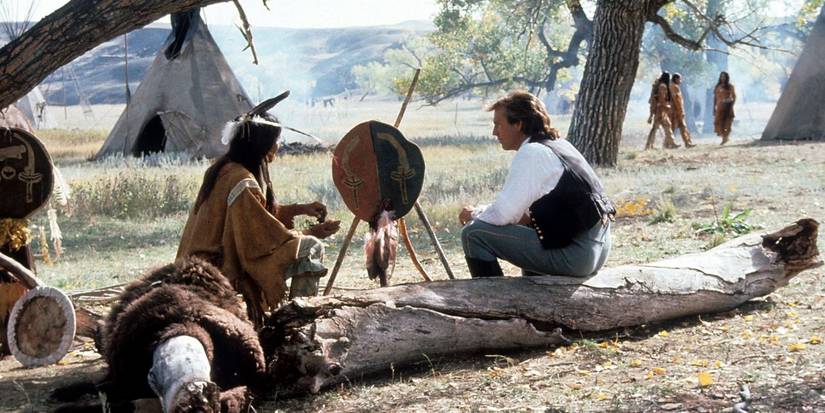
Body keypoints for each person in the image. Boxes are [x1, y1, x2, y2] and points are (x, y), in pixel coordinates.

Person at [177, 92, 340, 325]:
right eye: (275, 140)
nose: (278, 145)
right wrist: (310, 233)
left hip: (196, 262)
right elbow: (260, 239)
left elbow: (254, 215)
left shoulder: (225, 168)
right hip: (217, 267)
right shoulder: (242, 180)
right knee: (311, 247)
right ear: (262, 145)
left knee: (305, 244)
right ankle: (297, 323)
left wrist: (298, 209)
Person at [458, 91, 614, 278]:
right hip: (597, 248)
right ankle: (532, 295)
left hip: (577, 255)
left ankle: (492, 302)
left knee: (473, 233)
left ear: (518, 124)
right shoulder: (558, 144)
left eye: (498, 124)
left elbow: (502, 214)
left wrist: (474, 213)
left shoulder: (532, 153)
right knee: (529, 223)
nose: (494, 132)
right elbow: (522, 214)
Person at [645, 72, 680, 150]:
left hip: (660, 110)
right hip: (660, 110)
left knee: (666, 126)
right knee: (658, 127)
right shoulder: (663, 86)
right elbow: (661, 99)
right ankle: (649, 145)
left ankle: (671, 143)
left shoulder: (659, 85)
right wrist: (667, 105)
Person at [669, 73, 696, 148]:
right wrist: (680, 111)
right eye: (680, 79)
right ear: (676, 79)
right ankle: (668, 143)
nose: (681, 81)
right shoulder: (675, 87)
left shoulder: (671, 86)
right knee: (675, 127)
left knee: (679, 127)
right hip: (676, 112)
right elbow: (677, 101)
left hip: (674, 111)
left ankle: (687, 142)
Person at [713, 71, 736, 145]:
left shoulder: (730, 86)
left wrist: (731, 104)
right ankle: (724, 137)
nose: (723, 78)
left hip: (728, 106)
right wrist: (714, 107)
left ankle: (725, 137)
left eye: (724, 76)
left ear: (727, 78)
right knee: (719, 123)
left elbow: (734, 96)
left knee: (728, 123)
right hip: (719, 107)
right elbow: (715, 97)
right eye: (721, 76)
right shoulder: (717, 86)